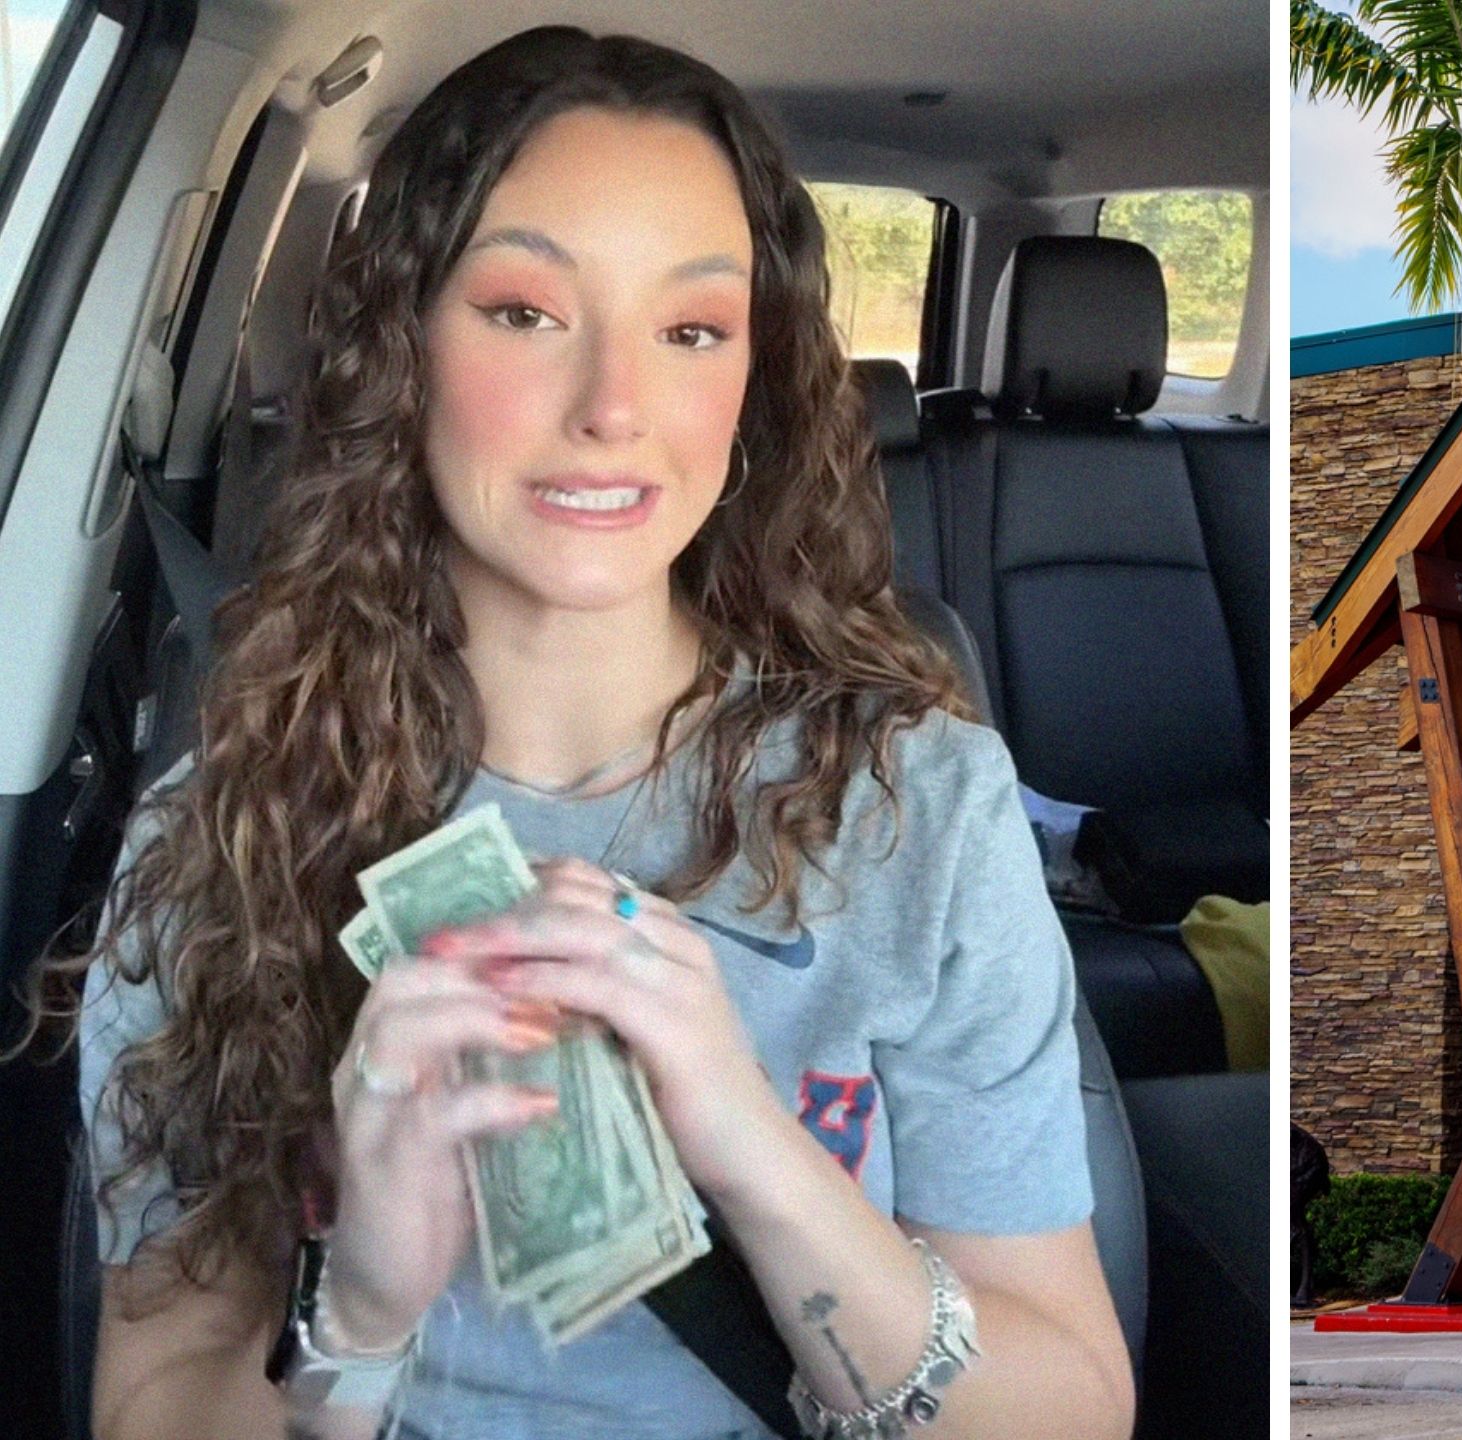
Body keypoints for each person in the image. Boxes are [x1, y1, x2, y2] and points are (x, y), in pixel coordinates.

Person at [35, 25, 1132, 1440]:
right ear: (402, 350)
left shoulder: (921, 807)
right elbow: (150, 1408)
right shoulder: (221, 831)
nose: (615, 408)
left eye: (691, 331)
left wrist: (752, 1147)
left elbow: (1074, 1409)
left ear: (752, 384)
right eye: (524, 312)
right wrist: (356, 1315)